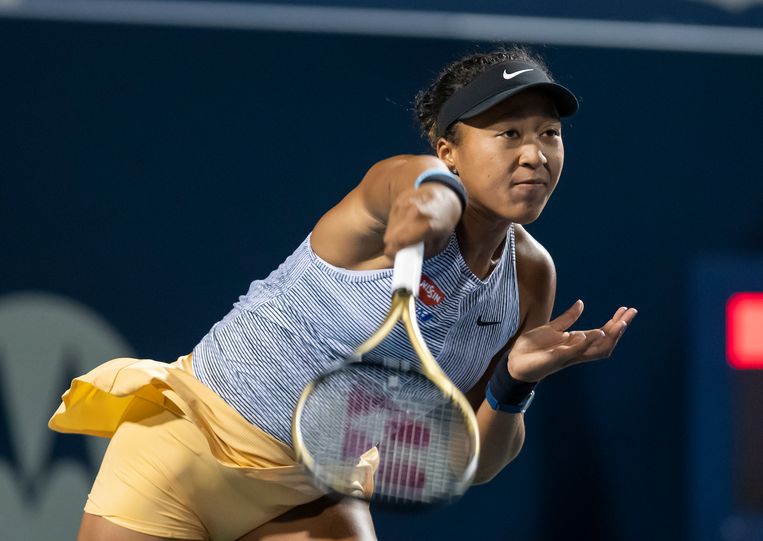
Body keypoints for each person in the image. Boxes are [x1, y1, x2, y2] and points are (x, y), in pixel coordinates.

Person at [50, 45, 637, 541]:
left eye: (549, 134)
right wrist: (429, 208)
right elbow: (411, 186)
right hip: (184, 454)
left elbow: (471, 463)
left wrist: (514, 382)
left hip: (313, 491)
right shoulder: (405, 182)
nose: (535, 154)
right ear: (447, 149)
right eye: (509, 133)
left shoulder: (530, 275)